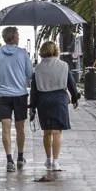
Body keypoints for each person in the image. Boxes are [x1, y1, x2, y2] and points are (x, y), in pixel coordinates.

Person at [29, 41, 80, 171]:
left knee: (47, 131)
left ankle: (48, 159)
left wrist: (32, 107)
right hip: (59, 99)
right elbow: (71, 83)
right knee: (57, 131)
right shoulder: (63, 65)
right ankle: (56, 161)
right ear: (55, 50)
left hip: (43, 100)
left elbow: (34, 90)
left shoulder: (38, 68)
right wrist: (74, 98)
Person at [0, 27, 34, 171]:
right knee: (20, 128)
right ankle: (20, 158)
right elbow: (29, 74)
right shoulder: (23, 54)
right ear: (14, 37)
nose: (19, 37)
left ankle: (9, 160)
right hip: (20, 95)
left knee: (5, 129)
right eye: (18, 35)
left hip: (2, 96)